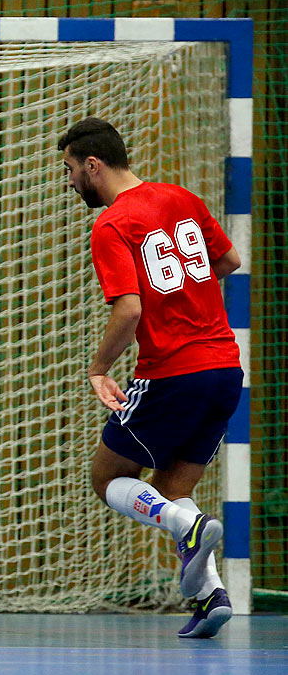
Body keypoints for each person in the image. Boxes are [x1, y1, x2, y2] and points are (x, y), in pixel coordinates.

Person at [60, 117, 243, 639]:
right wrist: (185, 287)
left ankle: (190, 529)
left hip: (173, 374)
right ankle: (211, 597)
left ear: (93, 164)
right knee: (168, 489)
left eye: (70, 170)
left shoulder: (113, 223)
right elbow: (228, 259)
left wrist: (98, 369)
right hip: (225, 371)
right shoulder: (181, 199)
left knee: (107, 477)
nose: (70, 182)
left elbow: (129, 312)